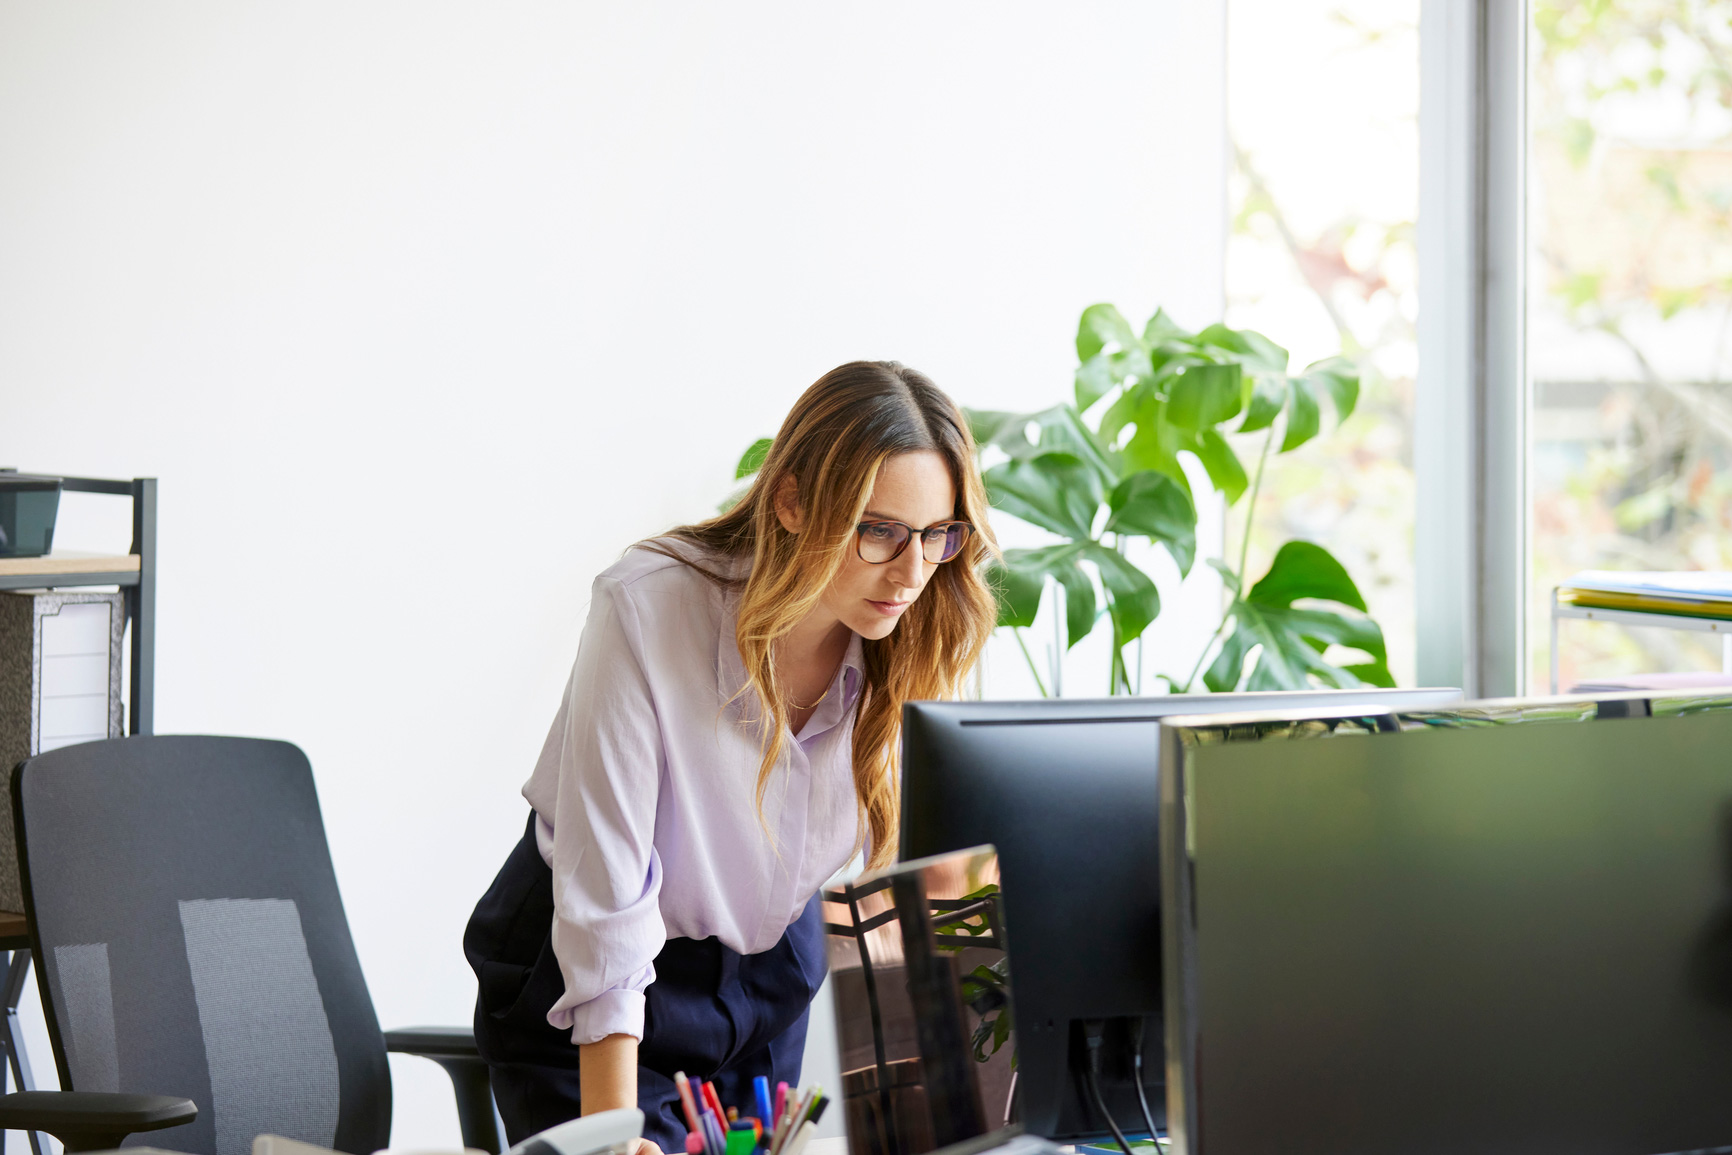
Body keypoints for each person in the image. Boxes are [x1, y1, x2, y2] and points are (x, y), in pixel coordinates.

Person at [464, 361, 1000, 1154]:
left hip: (765, 975)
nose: (915, 570)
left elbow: (921, 882)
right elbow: (606, 896)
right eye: (880, 529)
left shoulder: (913, 634)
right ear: (790, 500)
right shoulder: (647, 607)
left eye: (937, 533)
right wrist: (613, 1135)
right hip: (588, 976)